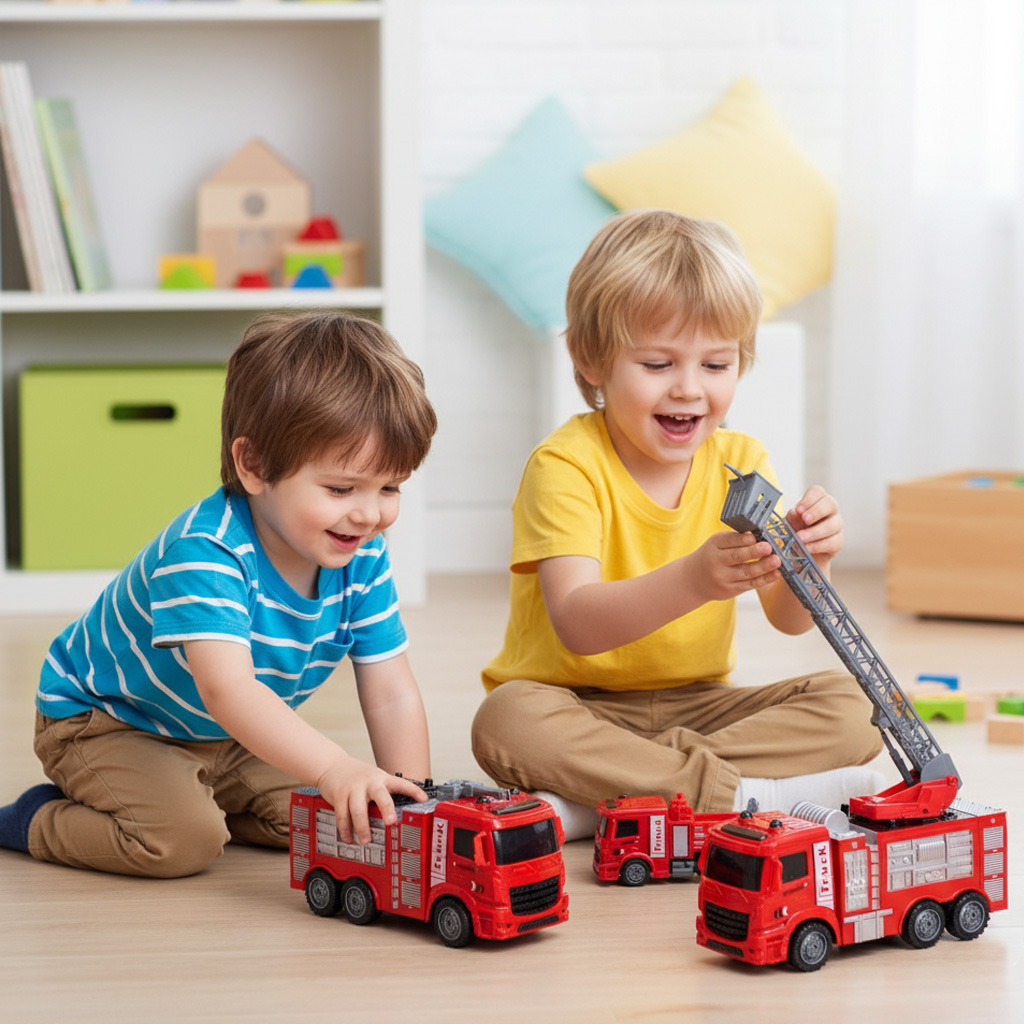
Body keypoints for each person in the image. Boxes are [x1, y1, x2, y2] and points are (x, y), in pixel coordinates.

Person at [472, 210, 884, 839]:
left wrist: (813, 560)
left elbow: (789, 618)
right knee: (506, 720)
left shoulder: (743, 461)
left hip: (701, 706)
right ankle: (741, 795)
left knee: (859, 704)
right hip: (579, 704)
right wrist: (694, 581)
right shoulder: (565, 465)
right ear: (590, 358)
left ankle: (616, 790)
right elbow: (579, 624)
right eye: (659, 364)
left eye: (715, 365)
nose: (689, 389)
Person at [0, 310, 437, 876]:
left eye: (390, 487)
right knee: (182, 843)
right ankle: (33, 818)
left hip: (224, 735)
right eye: (340, 488)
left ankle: (198, 795)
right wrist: (334, 766)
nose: (369, 514)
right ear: (253, 465)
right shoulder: (206, 552)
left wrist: (417, 807)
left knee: (335, 821)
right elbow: (228, 691)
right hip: (109, 723)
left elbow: (391, 692)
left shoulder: (362, 555)